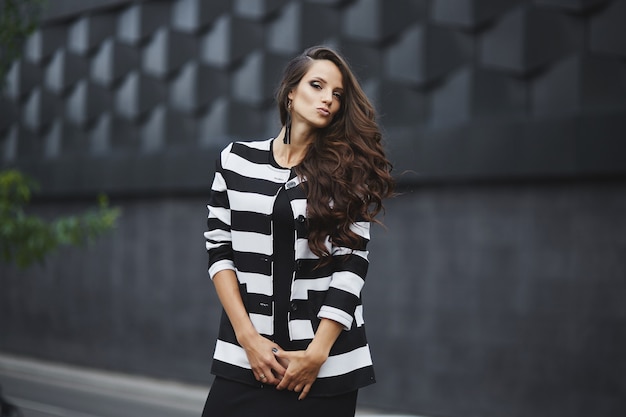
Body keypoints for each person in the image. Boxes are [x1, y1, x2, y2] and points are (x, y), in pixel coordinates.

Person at [202, 45, 394, 417]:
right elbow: (219, 249)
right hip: (247, 355)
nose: (328, 100)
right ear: (290, 92)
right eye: (317, 86)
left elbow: (351, 265)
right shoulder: (235, 161)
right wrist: (248, 339)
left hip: (325, 364)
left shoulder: (346, 172)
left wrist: (317, 354)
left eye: (337, 94)